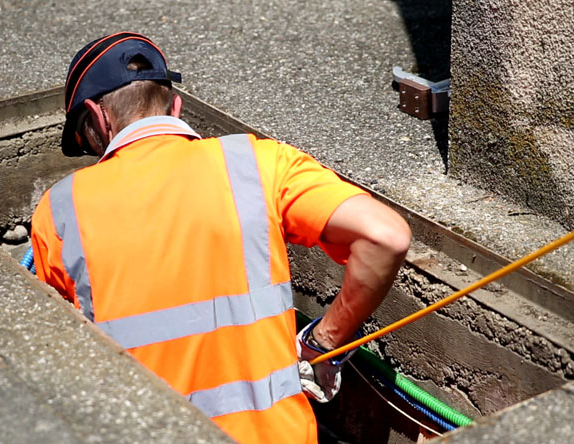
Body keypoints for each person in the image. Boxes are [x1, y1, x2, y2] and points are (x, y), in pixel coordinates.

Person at [31, 32, 411, 444]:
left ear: (97, 118)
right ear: (175, 107)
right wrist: (323, 344)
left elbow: (58, 364)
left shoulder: (59, 211)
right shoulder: (259, 163)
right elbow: (385, 237)